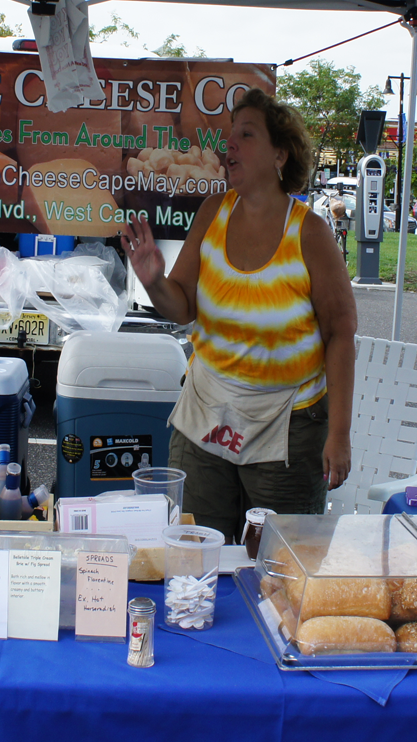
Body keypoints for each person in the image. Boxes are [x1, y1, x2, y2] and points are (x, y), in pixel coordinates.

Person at [122, 88, 357, 542]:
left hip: (287, 430)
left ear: (279, 155)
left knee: (276, 566)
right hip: (206, 416)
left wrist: (340, 435)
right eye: (230, 135)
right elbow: (182, 307)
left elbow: (341, 334)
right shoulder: (214, 211)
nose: (229, 144)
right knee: (193, 551)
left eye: (246, 135)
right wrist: (153, 280)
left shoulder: (310, 232)